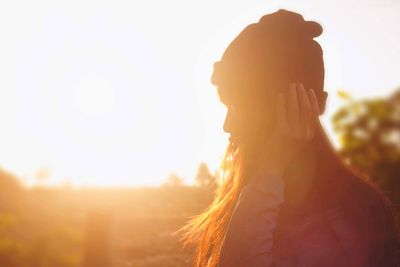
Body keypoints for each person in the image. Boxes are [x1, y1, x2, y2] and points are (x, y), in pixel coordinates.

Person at [179, 9, 399, 267]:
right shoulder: (245, 201)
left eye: (236, 107)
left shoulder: (355, 220)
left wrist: (272, 165)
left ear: (298, 105)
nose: (227, 126)